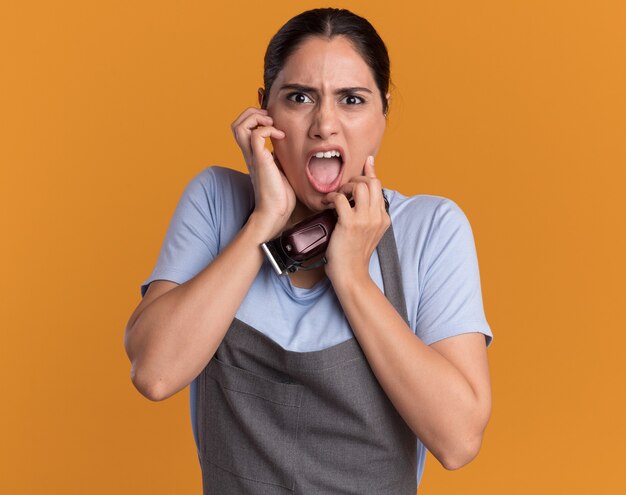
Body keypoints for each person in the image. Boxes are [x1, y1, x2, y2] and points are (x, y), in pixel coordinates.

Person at [124, 7, 493, 494]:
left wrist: (353, 279)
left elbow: (458, 439)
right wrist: (264, 220)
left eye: (352, 100)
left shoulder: (431, 229)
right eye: (299, 97)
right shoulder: (216, 202)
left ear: (383, 114)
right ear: (264, 111)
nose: (325, 125)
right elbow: (155, 373)